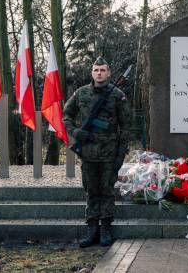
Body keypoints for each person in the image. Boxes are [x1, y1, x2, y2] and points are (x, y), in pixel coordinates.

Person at [63, 56, 131, 247]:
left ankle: (105, 229)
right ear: (92, 73)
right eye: (96, 70)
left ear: (108, 73)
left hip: (110, 153)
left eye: (102, 70)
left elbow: (126, 127)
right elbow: (66, 116)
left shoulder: (118, 95)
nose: (99, 73)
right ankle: (92, 228)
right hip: (88, 151)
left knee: (107, 191)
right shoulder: (81, 94)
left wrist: (120, 154)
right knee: (91, 190)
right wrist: (76, 132)